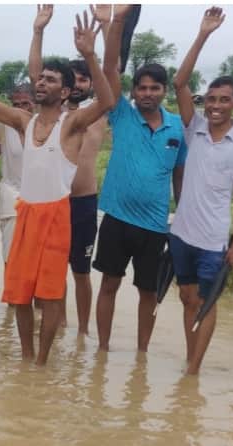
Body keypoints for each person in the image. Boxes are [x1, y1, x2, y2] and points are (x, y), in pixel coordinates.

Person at [0, 9, 115, 364]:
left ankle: (42, 360)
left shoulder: (72, 123)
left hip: (56, 216)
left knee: (49, 296)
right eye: (40, 78)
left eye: (49, 79)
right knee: (19, 295)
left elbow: (107, 101)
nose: (41, 83)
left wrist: (91, 54)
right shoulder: (24, 121)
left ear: (65, 91)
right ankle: (27, 359)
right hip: (26, 212)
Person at [93, 5, 187, 353]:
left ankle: (142, 354)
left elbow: (179, 173)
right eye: (142, 88)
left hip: (154, 226)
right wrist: (115, 22)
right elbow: (108, 68)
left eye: (155, 88)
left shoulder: (177, 126)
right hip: (117, 219)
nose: (148, 93)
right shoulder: (121, 114)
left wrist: (182, 216)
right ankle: (103, 349)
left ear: (164, 91)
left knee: (148, 291)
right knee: (109, 284)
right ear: (133, 92)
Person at [170, 7, 233, 375]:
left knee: (206, 302)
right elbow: (179, 82)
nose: (217, 106)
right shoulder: (196, 128)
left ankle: (193, 369)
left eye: (224, 100)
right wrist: (203, 34)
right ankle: (192, 359)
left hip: (212, 240)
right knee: (186, 296)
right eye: (212, 99)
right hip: (182, 233)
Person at [29, 4, 110, 336]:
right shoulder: (51, 114)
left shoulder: (96, 114)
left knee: (81, 270)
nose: (78, 84)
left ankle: (83, 331)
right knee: (51, 269)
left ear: (91, 82)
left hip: (83, 202)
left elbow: (112, 76)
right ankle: (57, 323)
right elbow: (37, 74)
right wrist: (38, 31)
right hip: (52, 202)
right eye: (73, 79)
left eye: (84, 79)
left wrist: (97, 44)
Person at [0, 83, 33, 267]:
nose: (21, 109)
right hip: (11, 196)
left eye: (26, 104)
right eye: (17, 104)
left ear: (35, 104)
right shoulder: (3, 124)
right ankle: (13, 295)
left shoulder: (44, 127)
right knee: (11, 256)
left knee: (34, 258)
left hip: (40, 200)